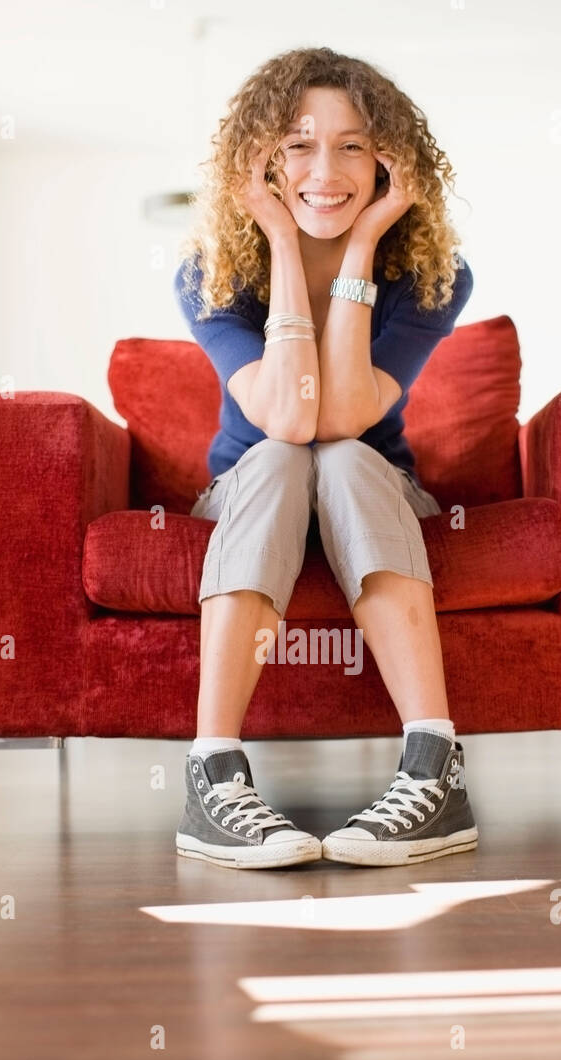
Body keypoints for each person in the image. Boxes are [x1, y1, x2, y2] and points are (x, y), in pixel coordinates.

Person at [173, 45, 478, 870]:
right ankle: (213, 774)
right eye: (299, 144)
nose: (325, 169)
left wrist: (362, 246)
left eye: (353, 146)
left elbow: (338, 417)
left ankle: (434, 768)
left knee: (341, 458)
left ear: (390, 164)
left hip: (370, 489)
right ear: (261, 161)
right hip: (253, 488)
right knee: (280, 457)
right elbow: (287, 415)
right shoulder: (207, 276)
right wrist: (278, 236)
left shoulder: (433, 277)